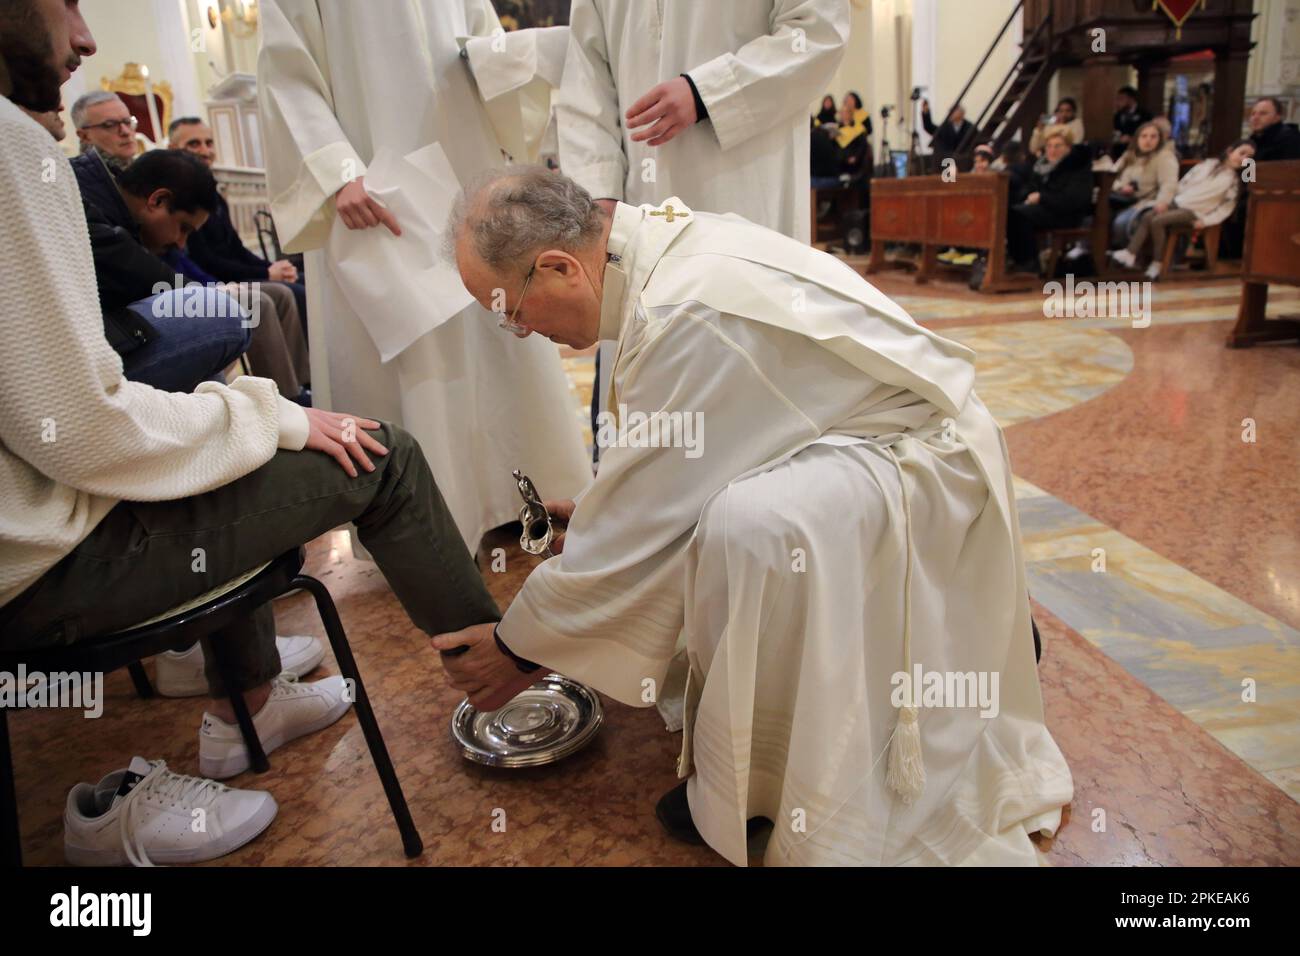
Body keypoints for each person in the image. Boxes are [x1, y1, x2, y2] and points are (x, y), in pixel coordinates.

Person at [437, 167, 1073, 867]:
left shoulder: (683, 310)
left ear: (558, 266)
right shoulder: (659, 246)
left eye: (509, 309)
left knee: (751, 528)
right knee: (717, 514)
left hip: (921, 465)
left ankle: (803, 785)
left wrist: (518, 648)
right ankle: (956, 639)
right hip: (876, 433)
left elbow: (649, 516)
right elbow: (715, 442)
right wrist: (600, 510)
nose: (519, 331)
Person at [0, 0, 503, 866]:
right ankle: (500, 675)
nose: (85, 36)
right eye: (68, 2)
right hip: (41, 568)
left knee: (226, 418)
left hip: (30, 528)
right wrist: (278, 415)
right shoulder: (13, 147)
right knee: (384, 454)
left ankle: (249, 704)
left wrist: (254, 419)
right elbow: (84, 429)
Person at [257, 0, 591, 553]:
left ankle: (521, 496)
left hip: (465, 167)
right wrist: (338, 172)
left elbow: (477, 48)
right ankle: (431, 522)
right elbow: (286, 73)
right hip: (374, 184)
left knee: (497, 329)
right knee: (419, 353)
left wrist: (530, 55)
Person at [70, 146, 253, 392]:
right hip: (75, 373)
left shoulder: (104, 198)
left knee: (233, 306)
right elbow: (130, 266)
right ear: (157, 200)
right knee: (222, 313)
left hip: (93, 343)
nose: (180, 242)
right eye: (184, 228)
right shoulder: (78, 195)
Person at [169, 116, 309, 334]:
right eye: (194, 144)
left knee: (305, 280)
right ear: (172, 148)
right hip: (217, 281)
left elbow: (236, 248)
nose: (204, 151)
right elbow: (205, 260)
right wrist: (267, 274)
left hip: (236, 275)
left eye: (209, 142)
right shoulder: (178, 200)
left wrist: (271, 268)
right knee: (292, 293)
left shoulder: (216, 197)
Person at [1110, 139, 1253, 279]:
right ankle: (1131, 253)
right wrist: (1170, 198)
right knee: (1148, 215)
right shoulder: (1208, 164)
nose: (1244, 158)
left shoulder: (1234, 182)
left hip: (1194, 212)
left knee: (1158, 221)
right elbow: (1186, 180)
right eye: (1242, 153)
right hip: (1179, 201)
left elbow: (1225, 209)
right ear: (1230, 151)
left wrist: (1205, 221)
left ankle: (1158, 262)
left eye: (1249, 157)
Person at [1005, 127, 1093, 274]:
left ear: (1068, 147)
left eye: (1058, 146)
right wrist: (1028, 195)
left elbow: (1074, 199)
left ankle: (1029, 263)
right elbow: (1031, 186)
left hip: (1067, 214)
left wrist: (1042, 198)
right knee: (1009, 211)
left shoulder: (1076, 167)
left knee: (1019, 214)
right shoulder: (1042, 166)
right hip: (1046, 209)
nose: (1052, 150)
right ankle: (1018, 258)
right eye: (1049, 146)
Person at [1109, 120, 1179, 246]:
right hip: (1121, 198)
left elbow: (1168, 183)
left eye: (1153, 136)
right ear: (1137, 138)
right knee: (1094, 219)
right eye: (1144, 136)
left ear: (1159, 139)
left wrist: (1162, 202)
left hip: (1144, 202)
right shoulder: (1129, 155)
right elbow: (1110, 177)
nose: (1148, 140)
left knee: (1121, 223)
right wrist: (1121, 186)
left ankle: (1123, 255)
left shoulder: (1164, 156)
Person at [70, 88, 137, 170]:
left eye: (127, 122)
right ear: (85, 136)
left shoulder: (146, 171)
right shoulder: (73, 177)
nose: (125, 132)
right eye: (110, 125)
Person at [1248, 95, 1300, 162]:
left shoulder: (1290, 139)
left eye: (1263, 113)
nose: (1255, 118)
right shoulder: (1252, 142)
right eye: (1253, 114)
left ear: (1277, 117)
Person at [1111, 85, 1150, 159]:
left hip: (1137, 154)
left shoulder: (1145, 115)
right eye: (1117, 99)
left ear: (1131, 99)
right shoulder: (1118, 115)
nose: (1118, 102)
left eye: (1121, 99)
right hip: (1119, 155)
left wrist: (1131, 139)